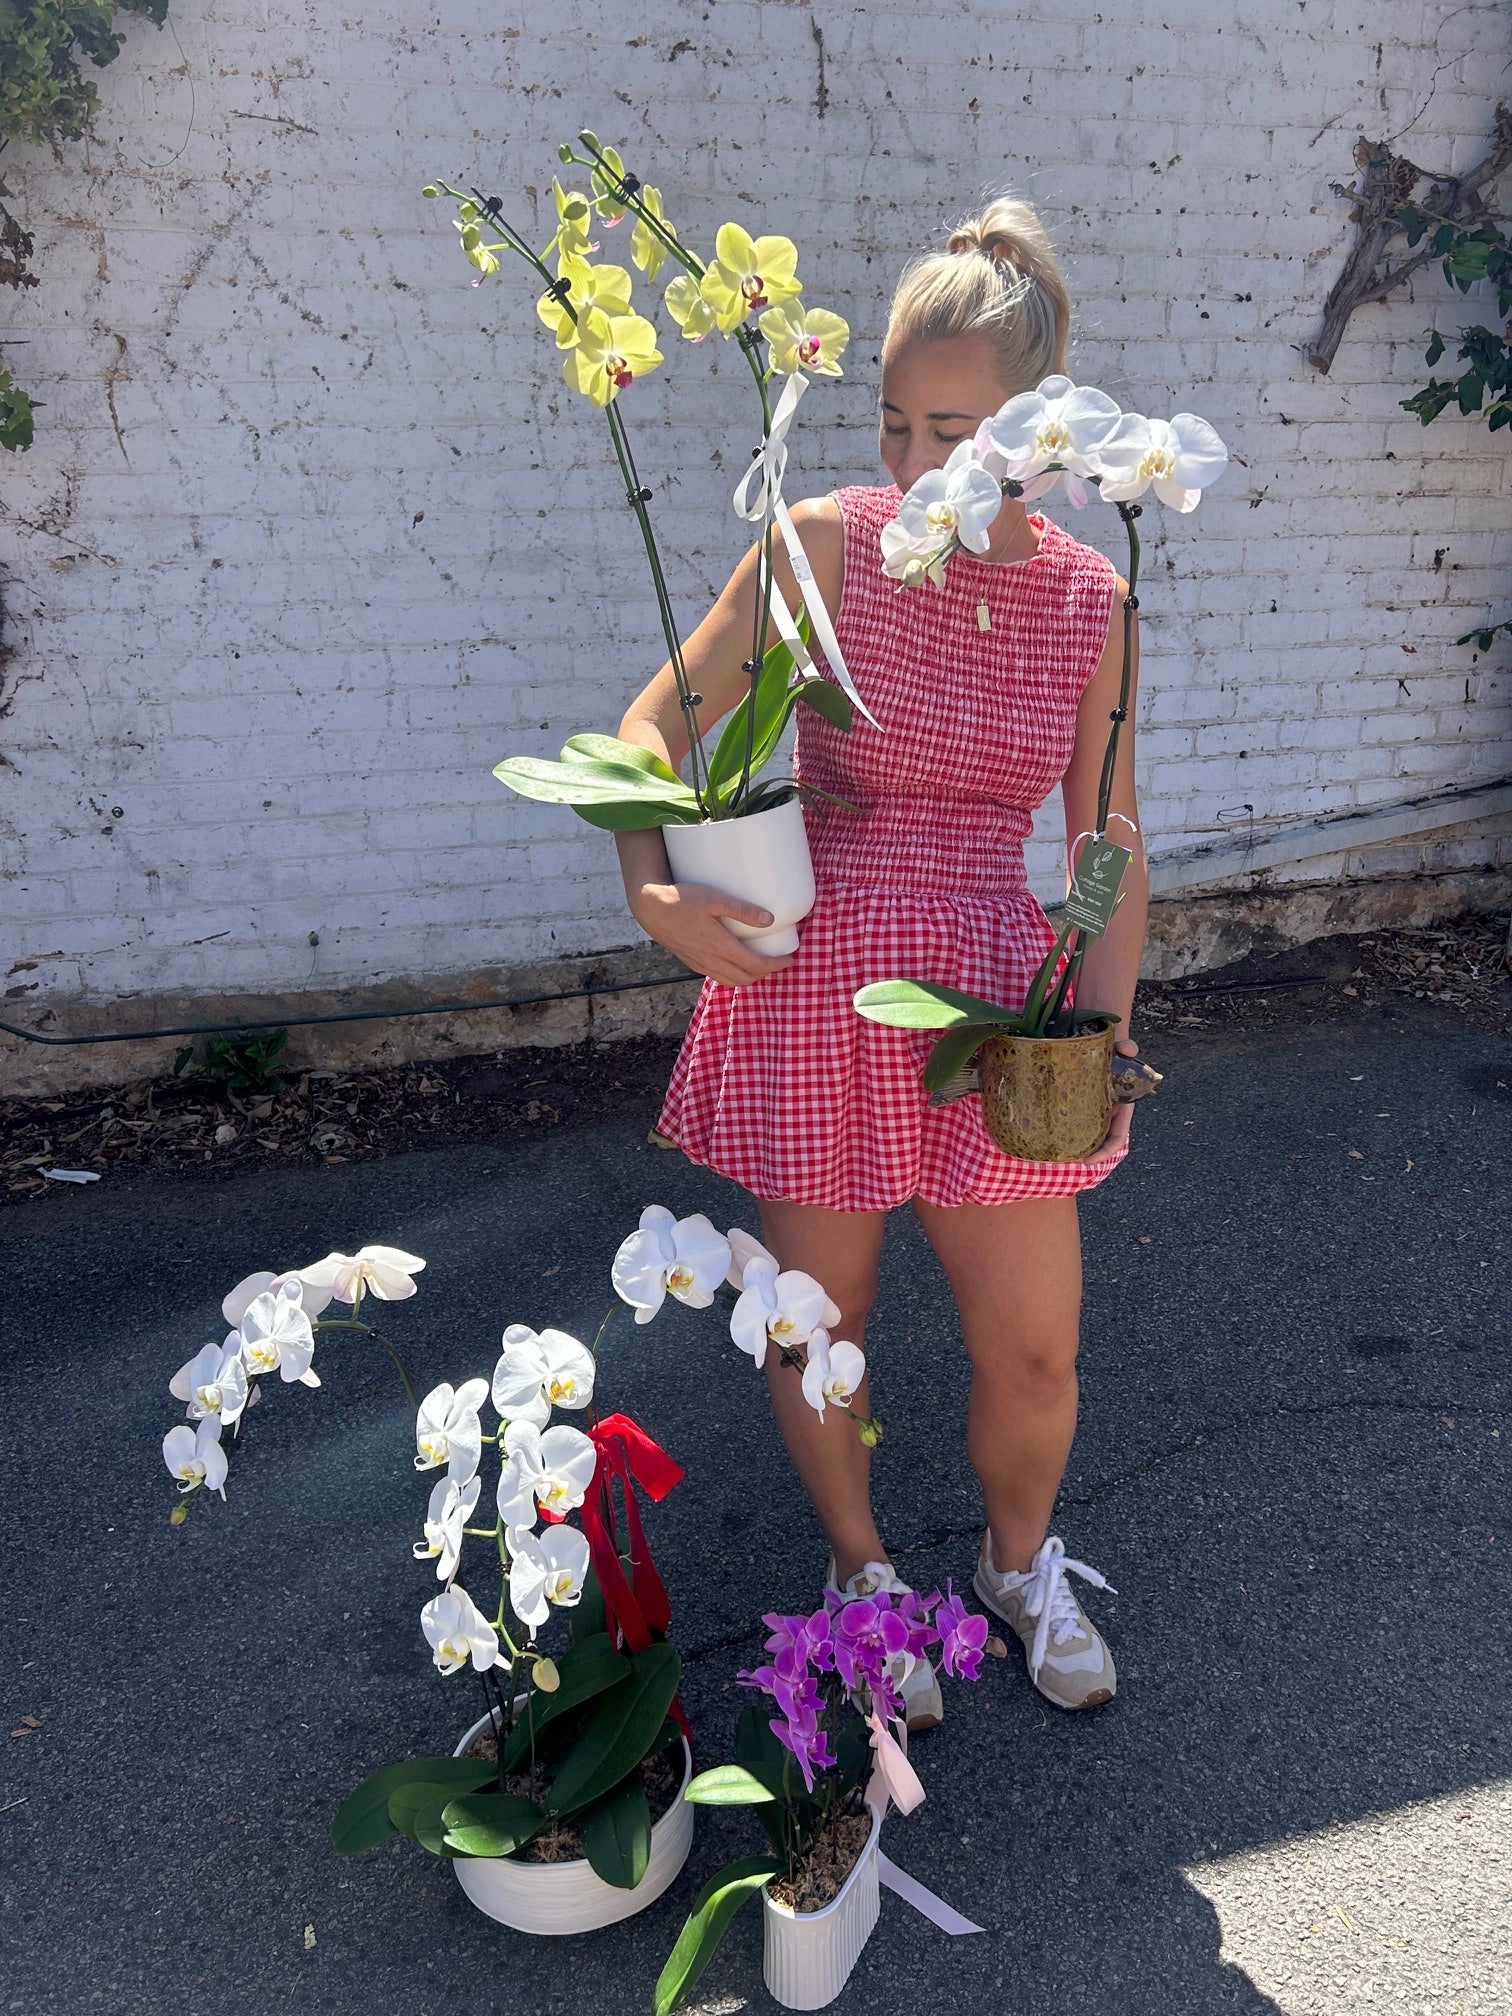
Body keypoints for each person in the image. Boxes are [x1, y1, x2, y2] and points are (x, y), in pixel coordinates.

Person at [612, 197, 1146, 1726]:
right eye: (898, 424)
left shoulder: (1091, 597)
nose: (917, 465)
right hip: (816, 990)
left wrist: (1103, 1023)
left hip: (999, 1013)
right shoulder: (826, 546)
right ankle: (860, 1572)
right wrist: (653, 887)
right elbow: (653, 723)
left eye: (959, 432)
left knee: (1036, 1353)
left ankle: (1016, 1564)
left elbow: (1108, 835)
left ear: (1040, 433)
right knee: (817, 1328)